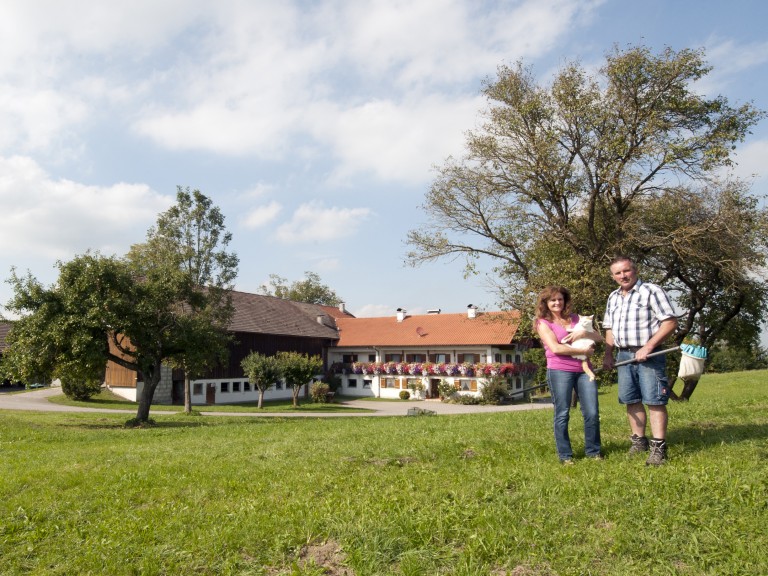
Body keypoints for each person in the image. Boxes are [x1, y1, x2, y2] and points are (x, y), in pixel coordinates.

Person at [602, 256, 678, 466]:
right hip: (623, 355)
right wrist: (608, 354)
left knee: (654, 400)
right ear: (613, 276)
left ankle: (658, 448)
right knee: (631, 399)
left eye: (626, 271)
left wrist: (648, 346)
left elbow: (670, 322)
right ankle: (638, 442)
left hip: (649, 355)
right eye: (618, 273)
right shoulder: (613, 297)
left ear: (635, 270)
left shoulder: (652, 291)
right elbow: (609, 328)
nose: (623, 276)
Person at [535, 286, 603, 465]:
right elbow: (556, 348)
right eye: (552, 300)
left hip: (584, 370)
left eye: (560, 299)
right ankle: (566, 456)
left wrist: (584, 333)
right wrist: (582, 350)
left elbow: (599, 337)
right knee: (562, 413)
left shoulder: (576, 318)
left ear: (565, 300)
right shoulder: (543, 323)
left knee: (592, 412)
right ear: (546, 303)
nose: (557, 303)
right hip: (559, 370)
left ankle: (593, 452)